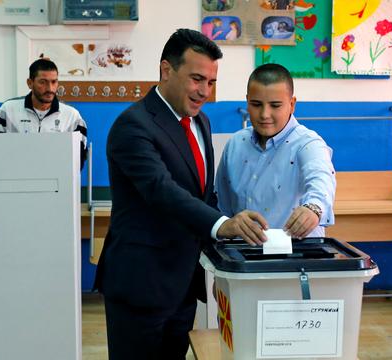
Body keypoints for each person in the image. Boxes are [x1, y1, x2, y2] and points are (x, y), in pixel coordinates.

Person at [94, 28, 269, 360]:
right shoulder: (133, 126)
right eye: (196, 79)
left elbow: (201, 194)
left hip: (183, 281)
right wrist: (222, 224)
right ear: (166, 70)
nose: (204, 91)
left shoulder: (199, 121)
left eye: (211, 82)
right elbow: (161, 190)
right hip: (141, 283)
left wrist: (234, 232)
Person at [216, 63, 336, 238]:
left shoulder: (309, 144)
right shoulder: (235, 144)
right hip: (242, 258)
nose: (265, 114)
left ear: (292, 104)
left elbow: (322, 179)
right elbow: (222, 206)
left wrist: (314, 208)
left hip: (297, 259)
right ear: (247, 101)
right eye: (256, 104)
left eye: (275, 105)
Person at [0, 58, 88, 167]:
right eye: (43, 82)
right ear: (30, 83)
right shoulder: (8, 109)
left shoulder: (72, 116)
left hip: (55, 179)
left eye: (54, 82)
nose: (50, 88)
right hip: (15, 178)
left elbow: (79, 158)